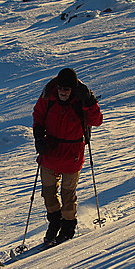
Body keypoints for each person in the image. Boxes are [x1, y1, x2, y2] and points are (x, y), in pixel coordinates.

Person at [33, 68, 103, 244]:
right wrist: (39, 135)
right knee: (48, 192)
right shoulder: (48, 96)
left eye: (67, 89)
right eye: (61, 88)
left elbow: (97, 121)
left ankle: (68, 227)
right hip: (50, 151)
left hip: (73, 153)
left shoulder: (82, 100)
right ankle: (55, 222)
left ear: (72, 89)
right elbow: (38, 115)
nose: (63, 92)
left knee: (68, 194)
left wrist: (90, 102)